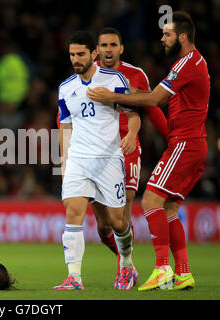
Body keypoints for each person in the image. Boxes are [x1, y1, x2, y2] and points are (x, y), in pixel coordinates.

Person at [88, 11, 209, 291]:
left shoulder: (189, 62)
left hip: (185, 142)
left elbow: (154, 100)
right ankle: (183, 272)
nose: (162, 39)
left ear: (182, 36)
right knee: (169, 207)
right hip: (188, 143)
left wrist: (114, 96)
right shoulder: (190, 63)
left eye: (166, 35)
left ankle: (162, 268)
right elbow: (156, 100)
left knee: (150, 200)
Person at [53, 30, 137, 291]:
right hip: (79, 159)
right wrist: (65, 164)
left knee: (118, 221)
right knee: (73, 213)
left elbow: (133, 113)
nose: (75, 59)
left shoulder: (114, 79)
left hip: (109, 159)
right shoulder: (66, 87)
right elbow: (65, 127)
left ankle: (127, 264)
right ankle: (74, 277)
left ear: (93, 54)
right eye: (71, 54)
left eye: (80, 54)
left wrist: (132, 133)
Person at [94, 27, 168, 285]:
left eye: (113, 45)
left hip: (127, 148)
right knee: (104, 227)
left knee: (122, 215)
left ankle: (123, 270)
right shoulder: (88, 74)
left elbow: (151, 107)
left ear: (121, 48)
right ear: (97, 49)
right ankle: (128, 260)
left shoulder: (135, 75)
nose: (108, 50)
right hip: (95, 153)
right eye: (104, 45)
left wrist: (171, 137)